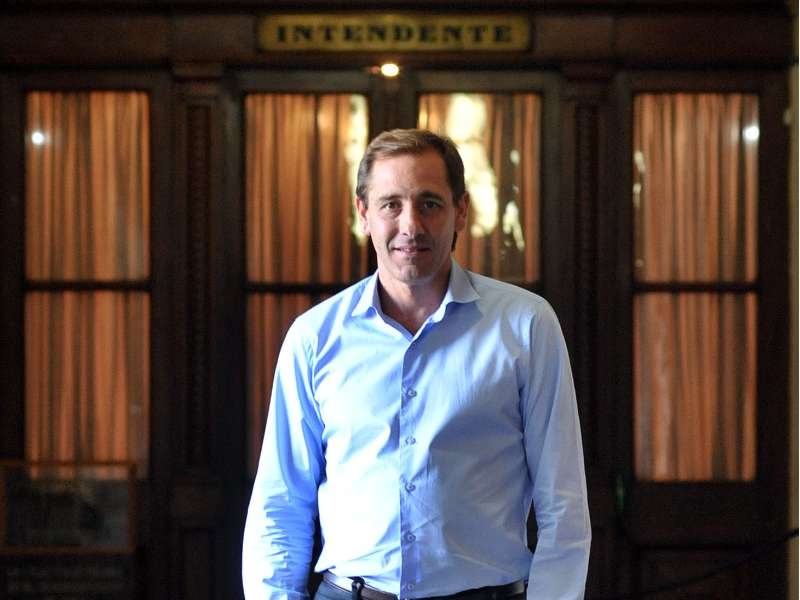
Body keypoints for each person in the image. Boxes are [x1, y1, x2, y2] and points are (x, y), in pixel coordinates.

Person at [242, 129, 591, 600]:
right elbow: (281, 502)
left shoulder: (526, 326)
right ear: (363, 213)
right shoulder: (314, 337)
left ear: (460, 211)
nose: (411, 225)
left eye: (429, 203)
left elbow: (563, 504)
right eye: (391, 204)